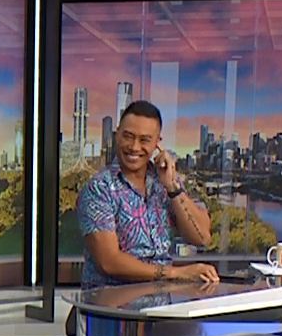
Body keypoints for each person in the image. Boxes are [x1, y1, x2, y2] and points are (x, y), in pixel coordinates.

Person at [77, 100, 216, 288]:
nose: (134, 147)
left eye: (144, 140)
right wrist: (175, 273)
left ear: (157, 144)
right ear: (117, 135)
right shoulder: (99, 188)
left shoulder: (165, 182)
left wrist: (173, 188)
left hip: (160, 299)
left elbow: (202, 238)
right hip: (112, 300)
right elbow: (109, 262)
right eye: (128, 136)